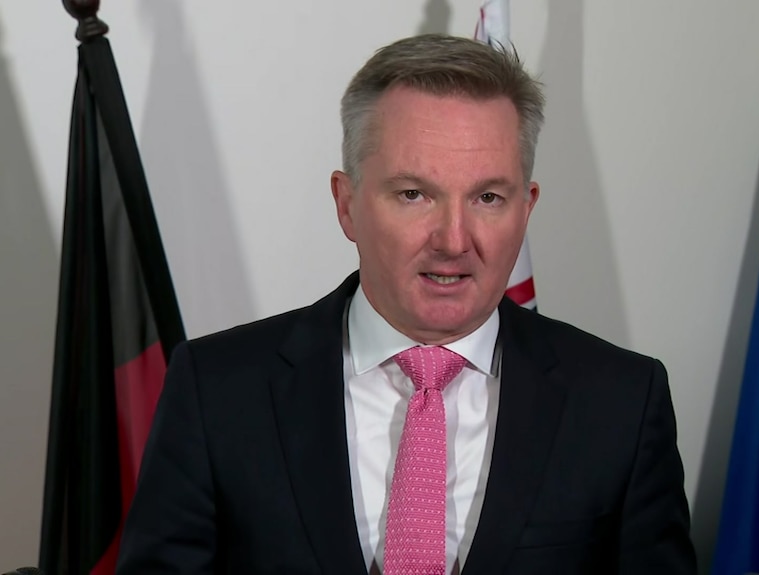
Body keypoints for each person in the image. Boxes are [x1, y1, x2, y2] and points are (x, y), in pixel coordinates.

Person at [117, 33, 697, 574]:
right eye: (414, 194)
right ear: (347, 205)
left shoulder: (621, 402)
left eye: (489, 197)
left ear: (527, 208)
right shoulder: (216, 391)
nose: (452, 238)